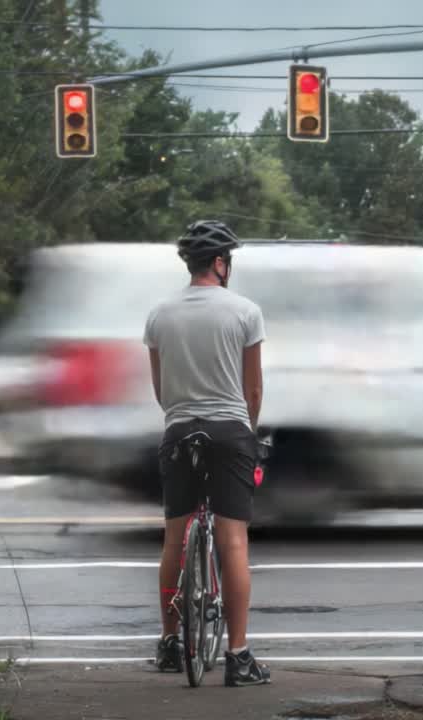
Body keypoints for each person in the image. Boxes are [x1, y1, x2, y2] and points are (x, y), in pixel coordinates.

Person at [143, 219, 271, 687]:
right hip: (229, 432)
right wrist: (248, 435)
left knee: (174, 540)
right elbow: (252, 389)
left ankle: (170, 644)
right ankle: (238, 656)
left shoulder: (159, 316)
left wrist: (181, 415)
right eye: (227, 260)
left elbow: (161, 390)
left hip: (179, 431)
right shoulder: (245, 312)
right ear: (219, 263)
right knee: (232, 541)